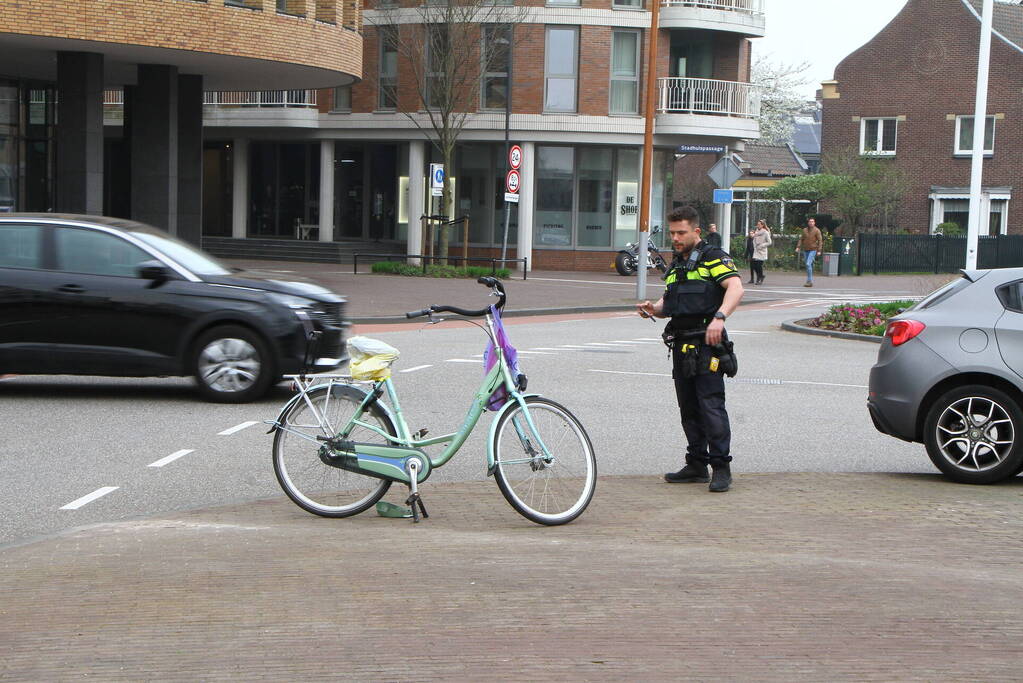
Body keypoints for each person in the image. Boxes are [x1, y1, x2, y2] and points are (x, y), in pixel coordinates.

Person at [637, 205, 745, 493]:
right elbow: (669, 304)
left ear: (696, 231)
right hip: (681, 344)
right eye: (672, 233)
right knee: (689, 408)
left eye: (681, 232)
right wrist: (653, 309)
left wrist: (719, 319)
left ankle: (721, 467)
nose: (676, 237)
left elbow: (735, 287)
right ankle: (697, 464)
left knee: (711, 406)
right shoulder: (677, 265)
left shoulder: (713, 257)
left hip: (707, 344)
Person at [795, 217, 823, 287]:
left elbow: (820, 241)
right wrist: (798, 247)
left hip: (813, 250)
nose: (811, 223)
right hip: (805, 250)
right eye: (810, 222)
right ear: (808, 223)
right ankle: (809, 279)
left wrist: (819, 250)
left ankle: (809, 281)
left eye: (812, 222)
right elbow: (801, 239)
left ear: (814, 223)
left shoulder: (817, 230)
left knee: (808, 264)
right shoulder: (804, 230)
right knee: (808, 265)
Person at [751, 219, 772, 285]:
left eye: (759, 224)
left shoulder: (766, 232)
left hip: (762, 251)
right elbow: (754, 239)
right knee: (754, 266)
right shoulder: (756, 232)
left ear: (762, 225)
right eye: (757, 224)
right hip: (756, 250)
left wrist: (762, 245)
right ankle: (761, 276)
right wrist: (755, 246)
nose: (758, 226)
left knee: (759, 265)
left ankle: (759, 278)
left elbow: (769, 242)